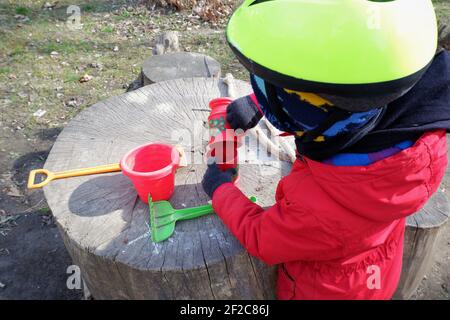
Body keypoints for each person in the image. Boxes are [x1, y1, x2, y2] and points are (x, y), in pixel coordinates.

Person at [202, 0, 450, 299]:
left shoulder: (320, 209)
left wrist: (220, 188)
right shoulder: (411, 114)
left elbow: (262, 238)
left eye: (272, 88)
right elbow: (338, 105)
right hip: (378, 271)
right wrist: (262, 104)